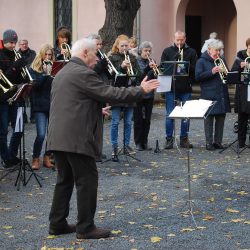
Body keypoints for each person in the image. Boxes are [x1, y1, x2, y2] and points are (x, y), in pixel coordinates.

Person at [47, 37, 159, 239]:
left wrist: (96, 110)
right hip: (76, 138)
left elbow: (70, 103)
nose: (98, 58)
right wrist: (141, 90)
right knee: (87, 180)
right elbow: (112, 93)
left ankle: (57, 223)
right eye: (95, 53)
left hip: (59, 136)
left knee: (64, 180)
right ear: (84, 54)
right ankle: (85, 228)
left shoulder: (62, 72)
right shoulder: (83, 73)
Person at [160, 30, 197, 149]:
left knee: (186, 114)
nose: (179, 42)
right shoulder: (167, 51)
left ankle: (184, 138)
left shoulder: (191, 51)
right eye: (177, 40)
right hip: (171, 87)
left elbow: (195, 68)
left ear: (185, 39)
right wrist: (174, 63)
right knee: (170, 114)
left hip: (185, 87)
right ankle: (169, 139)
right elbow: (163, 67)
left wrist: (185, 65)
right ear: (174, 39)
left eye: (182, 40)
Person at [108, 34, 141, 161]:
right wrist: (121, 67)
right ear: (117, 46)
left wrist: (133, 72)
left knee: (128, 122)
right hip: (117, 93)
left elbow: (139, 73)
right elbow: (110, 74)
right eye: (122, 45)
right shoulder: (112, 57)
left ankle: (126, 145)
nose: (124, 48)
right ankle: (114, 147)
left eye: (126, 45)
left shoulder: (132, 57)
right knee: (115, 122)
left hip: (129, 92)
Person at [195, 39, 231, 150]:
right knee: (209, 120)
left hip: (221, 93)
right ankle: (209, 143)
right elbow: (198, 77)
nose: (218, 53)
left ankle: (218, 142)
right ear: (209, 49)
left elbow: (227, 75)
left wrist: (227, 73)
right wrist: (212, 71)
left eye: (219, 50)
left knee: (221, 119)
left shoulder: (222, 59)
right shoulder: (201, 61)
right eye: (216, 50)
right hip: (208, 94)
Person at [0, 29, 25, 168]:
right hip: (2, 98)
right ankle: (6, 158)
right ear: (4, 41)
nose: (13, 45)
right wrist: (15, 67)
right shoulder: (0, 56)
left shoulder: (16, 55)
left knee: (19, 129)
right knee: (3, 132)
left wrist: (22, 69)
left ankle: (11, 155)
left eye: (15, 42)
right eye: (11, 42)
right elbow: (4, 79)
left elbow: (19, 78)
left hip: (16, 97)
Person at [29, 44, 55, 170]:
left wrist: (51, 75)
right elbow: (36, 87)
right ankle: (35, 158)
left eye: (50, 55)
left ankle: (47, 157)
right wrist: (45, 74)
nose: (48, 57)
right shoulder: (34, 69)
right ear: (41, 55)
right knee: (41, 134)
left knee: (52, 134)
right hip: (40, 106)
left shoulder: (54, 68)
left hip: (52, 104)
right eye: (46, 54)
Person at [134, 41, 157, 151]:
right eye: (145, 51)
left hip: (150, 94)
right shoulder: (136, 61)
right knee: (138, 119)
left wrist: (156, 70)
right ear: (140, 51)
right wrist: (148, 68)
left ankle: (145, 141)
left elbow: (154, 76)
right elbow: (139, 77)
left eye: (149, 51)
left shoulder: (152, 61)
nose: (147, 53)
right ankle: (138, 142)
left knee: (147, 119)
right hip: (139, 93)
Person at [231, 37, 250, 148]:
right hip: (243, 89)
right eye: (249, 48)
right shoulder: (240, 56)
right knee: (242, 116)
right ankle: (241, 141)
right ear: (247, 47)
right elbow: (233, 72)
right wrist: (239, 66)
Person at [18, 39, 36, 123]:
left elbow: (34, 63)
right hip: (21, 79)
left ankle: (33, 117)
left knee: (33, 98)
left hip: (31, 77)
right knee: (21, 99)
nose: (24, 45)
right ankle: (23, 117)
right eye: (22, 44)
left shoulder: (33, 53)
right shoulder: (17, 54)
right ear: (19, 45)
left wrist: (26, 68)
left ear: (27, 44)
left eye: (25, 44)